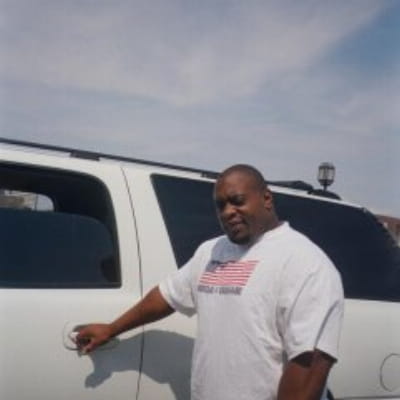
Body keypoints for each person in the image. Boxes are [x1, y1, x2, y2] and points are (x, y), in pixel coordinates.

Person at [77, 164, 344, 400]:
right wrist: (112, 328)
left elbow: (310, 362)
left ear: (266, 198)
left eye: (237, 201)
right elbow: (166, 296)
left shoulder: (305, 263)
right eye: (220, 205)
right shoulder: (212, 251)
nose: (227, 212)